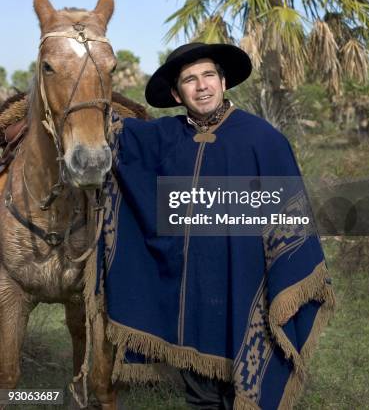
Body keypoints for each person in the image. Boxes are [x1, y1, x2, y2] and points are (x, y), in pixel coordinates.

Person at [90, 42, 335, 410]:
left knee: (244, 389)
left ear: (223, 82)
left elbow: (289, 217)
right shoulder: (163, 136)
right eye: (189, 80)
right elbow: (109, 135)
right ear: (176, 93)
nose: (201, 86)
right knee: (201, 396)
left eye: (208, 76)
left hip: (247, 289)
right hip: (190, 300)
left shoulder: (262, 140)